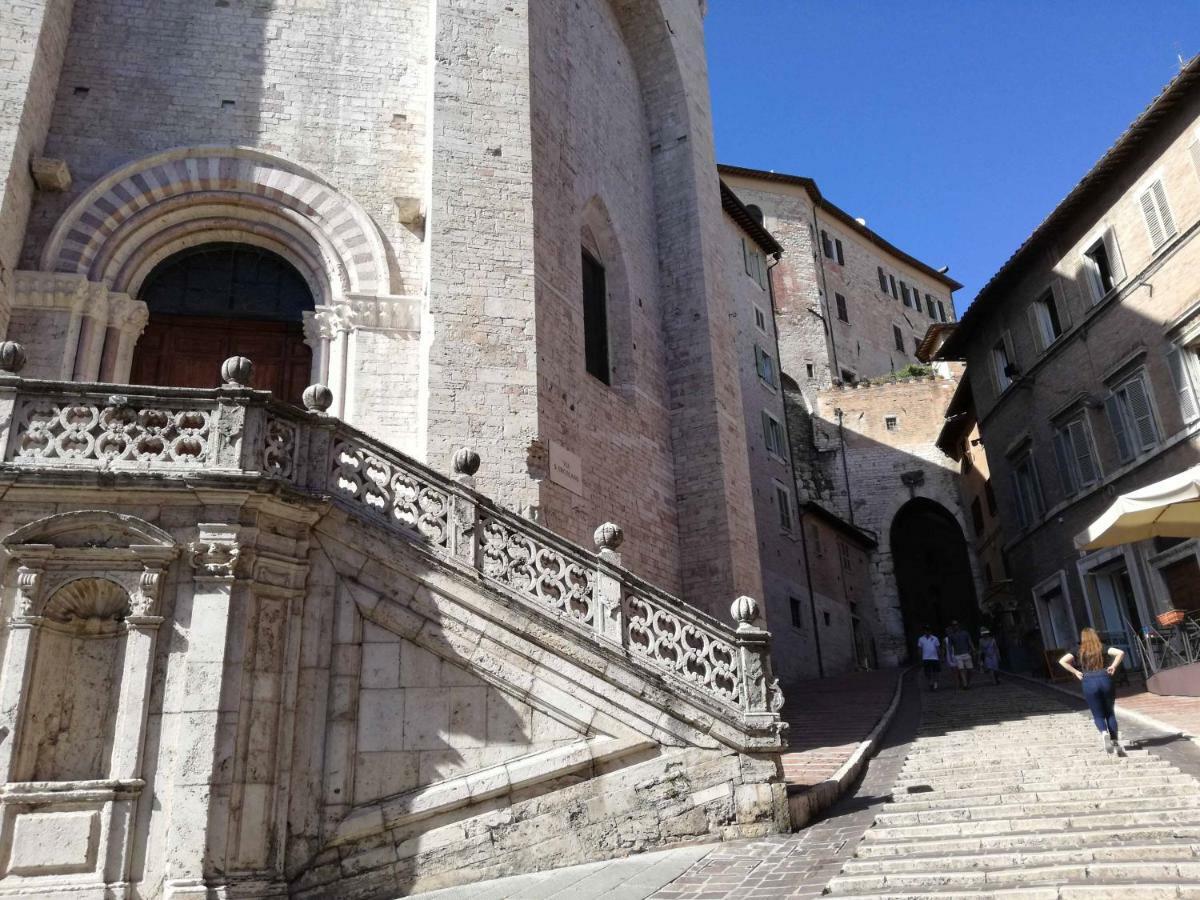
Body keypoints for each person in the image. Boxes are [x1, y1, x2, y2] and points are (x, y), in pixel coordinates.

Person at [1058, 628, 1127, 756]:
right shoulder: (1102, 647)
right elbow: (1120, 652)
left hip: (1088, 680)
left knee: (1098, 714)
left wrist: (1076, 672)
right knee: (1109, 713)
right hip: (1105, 678)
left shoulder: (1078, 649)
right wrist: (1113, 666)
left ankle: (1103, 732)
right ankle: (1114, 741)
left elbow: (1062, 661)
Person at [946, 621, 975, 689]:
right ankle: (965, 685)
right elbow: (950, 646)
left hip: (966, 653)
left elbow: (969, 641)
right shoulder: (951, 636)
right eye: (953, 625)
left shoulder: (965, 633)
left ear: (959, 625)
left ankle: (967, 682)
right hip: (957, 655)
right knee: (961, 670)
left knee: (970, 669)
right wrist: (950, 655)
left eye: (956, 625)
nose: (955, 626)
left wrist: (973, 649)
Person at [917, 626, 942, 691]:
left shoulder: (935, 638)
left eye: (928, 630)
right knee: (927, 672)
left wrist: (940, 656)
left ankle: (935, 683)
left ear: (930, 631)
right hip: (925, 658)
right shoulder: (921, 639)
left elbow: (938, 648)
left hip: (934, 658)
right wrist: (920, 658)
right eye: (926, 630)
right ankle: (930, 682)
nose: (927, 631)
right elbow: (920, 649)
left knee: (935, 672)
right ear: (924, 631)